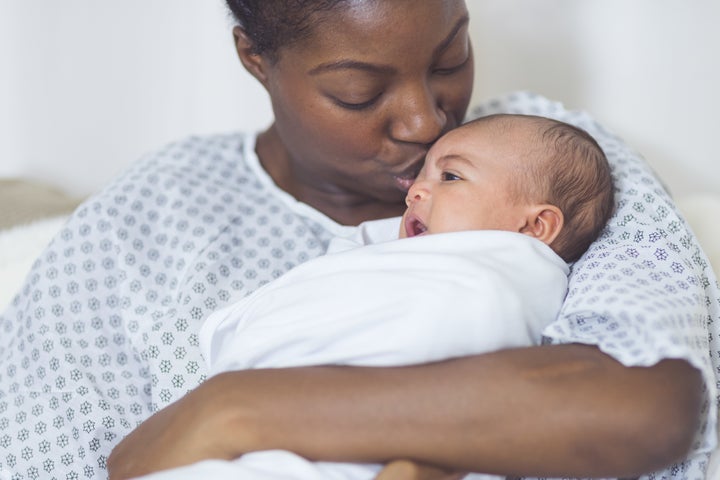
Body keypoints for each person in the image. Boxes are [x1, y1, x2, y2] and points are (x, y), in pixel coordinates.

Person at [0, 2, 717, 480]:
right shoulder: (144, 222)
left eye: (449, 58)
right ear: (255, 58)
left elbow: (639, 405)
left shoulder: (547, 156)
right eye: (358, 92)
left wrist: (232, 410)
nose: (423, 122)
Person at [158, 113, 613, 480]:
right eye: (423, 176)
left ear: (535, 227)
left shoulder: (507, 276)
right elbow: (340, 279)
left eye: (451, 176)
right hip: (282, 416)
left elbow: (477, 326)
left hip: (367, 434)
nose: (416, 189)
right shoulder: (389, 257)